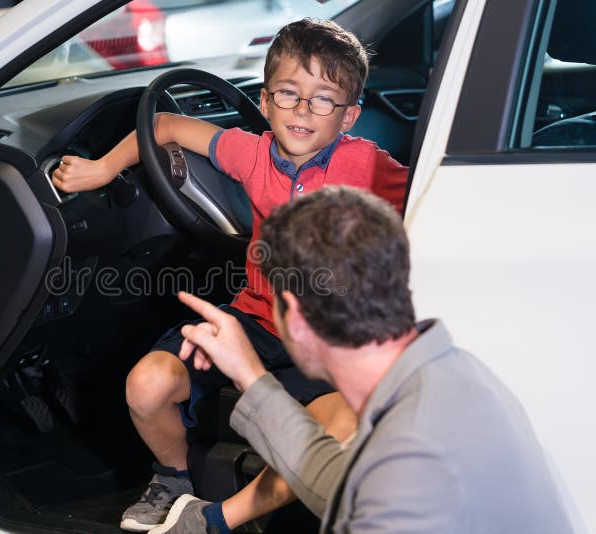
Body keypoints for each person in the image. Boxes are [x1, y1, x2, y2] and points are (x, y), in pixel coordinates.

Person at [52, 19, 407, 533]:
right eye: (288, 93)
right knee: (147, 385)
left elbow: (431, 202)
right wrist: (103, 169)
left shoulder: (366, 166)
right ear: (264, 102)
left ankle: (218, 519)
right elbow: (167, 126)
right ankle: (174, 483)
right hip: (252, 323)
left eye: (323, 99)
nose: (303, 110)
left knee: (339, 433)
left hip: (331, 341)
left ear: (350, 115)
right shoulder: (253, 152)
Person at [153, 186, 575, 533]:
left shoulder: (408, 468)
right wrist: (249, 372)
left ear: (293, 316)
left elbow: (378, 494)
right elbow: (346, 485)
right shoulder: (451, 372)